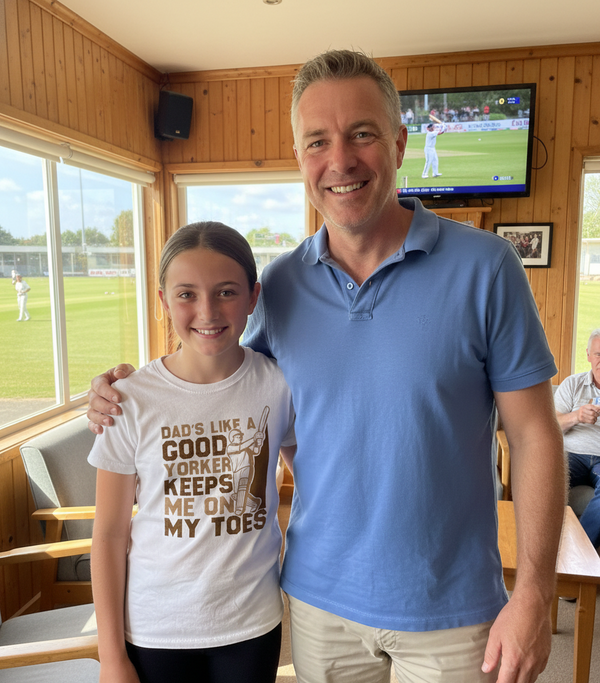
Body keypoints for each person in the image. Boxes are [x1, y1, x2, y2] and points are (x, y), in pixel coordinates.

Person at [87, 50, 565, 683]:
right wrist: (121, 392)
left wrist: (535, 589)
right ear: (300, 158)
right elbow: (214, 369)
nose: (340, 160)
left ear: (398, 142)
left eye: (362, 133)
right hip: (318, 606)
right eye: (318, 141)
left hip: (452, 609)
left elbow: (534, 432)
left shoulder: (486, 267)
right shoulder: (280, 286)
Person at [88, 222, 296, 683]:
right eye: (187, 294)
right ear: (163, 300)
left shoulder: (278, 384)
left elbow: (316, 477)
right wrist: (110, 656)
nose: (207, 310)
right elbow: (107, 535)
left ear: (253, 297)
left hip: (252, 622)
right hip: (156, 629)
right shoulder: (127, 400)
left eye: (226, 292)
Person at [554, 329, 600, 549]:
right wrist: (577, 416)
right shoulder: (572, 385)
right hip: (572, 454)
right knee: (546, 479)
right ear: (589, 355)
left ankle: (578, 551)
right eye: (598, 354)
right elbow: (551, 425)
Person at [422, 114, 446, 179]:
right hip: (428, 149)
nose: (434, 127)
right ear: (430, 128)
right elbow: (441, 132)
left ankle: (435, 173)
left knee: (435, 160)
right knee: (428, 161)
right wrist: (443, 126)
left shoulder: (433, 132)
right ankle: (424, 174)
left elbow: (440, 131)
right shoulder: (430, 133)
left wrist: (443, 126)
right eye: (433, 127)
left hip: (432, 148)